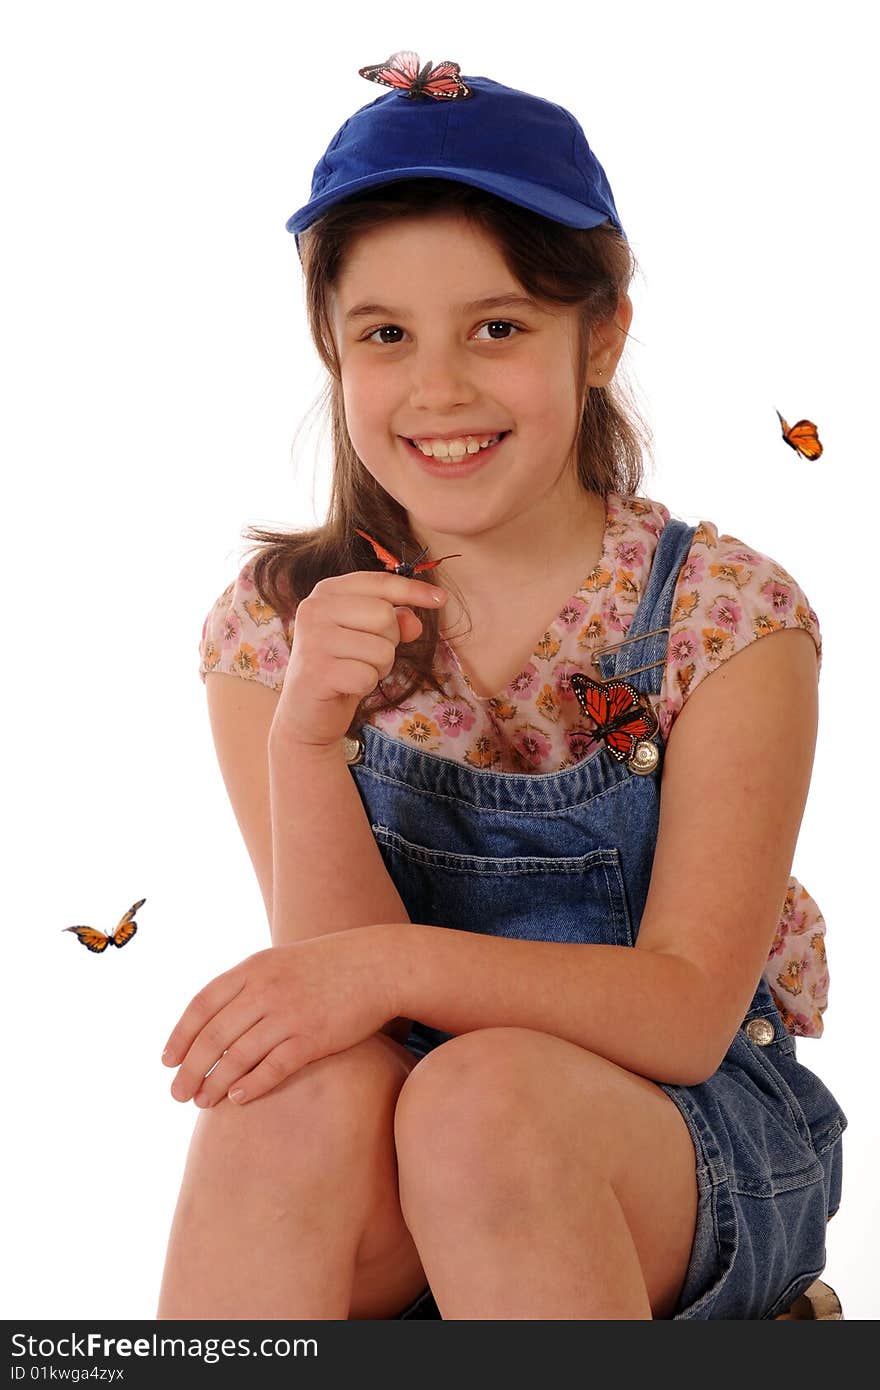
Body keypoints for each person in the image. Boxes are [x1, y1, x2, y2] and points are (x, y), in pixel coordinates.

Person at [156, 54, 847, 1320]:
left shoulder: (723, 617)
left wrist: (394, 967)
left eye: (498, 326)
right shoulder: (275, 637)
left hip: (687, 1137)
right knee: (287, 1099)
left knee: (482, 1102)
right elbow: (334, 1002)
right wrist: (307, 742)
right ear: (332, 348)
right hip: (402, 1113)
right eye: (384, 335)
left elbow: (687, 1011)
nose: (439, 389)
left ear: (601, 336)